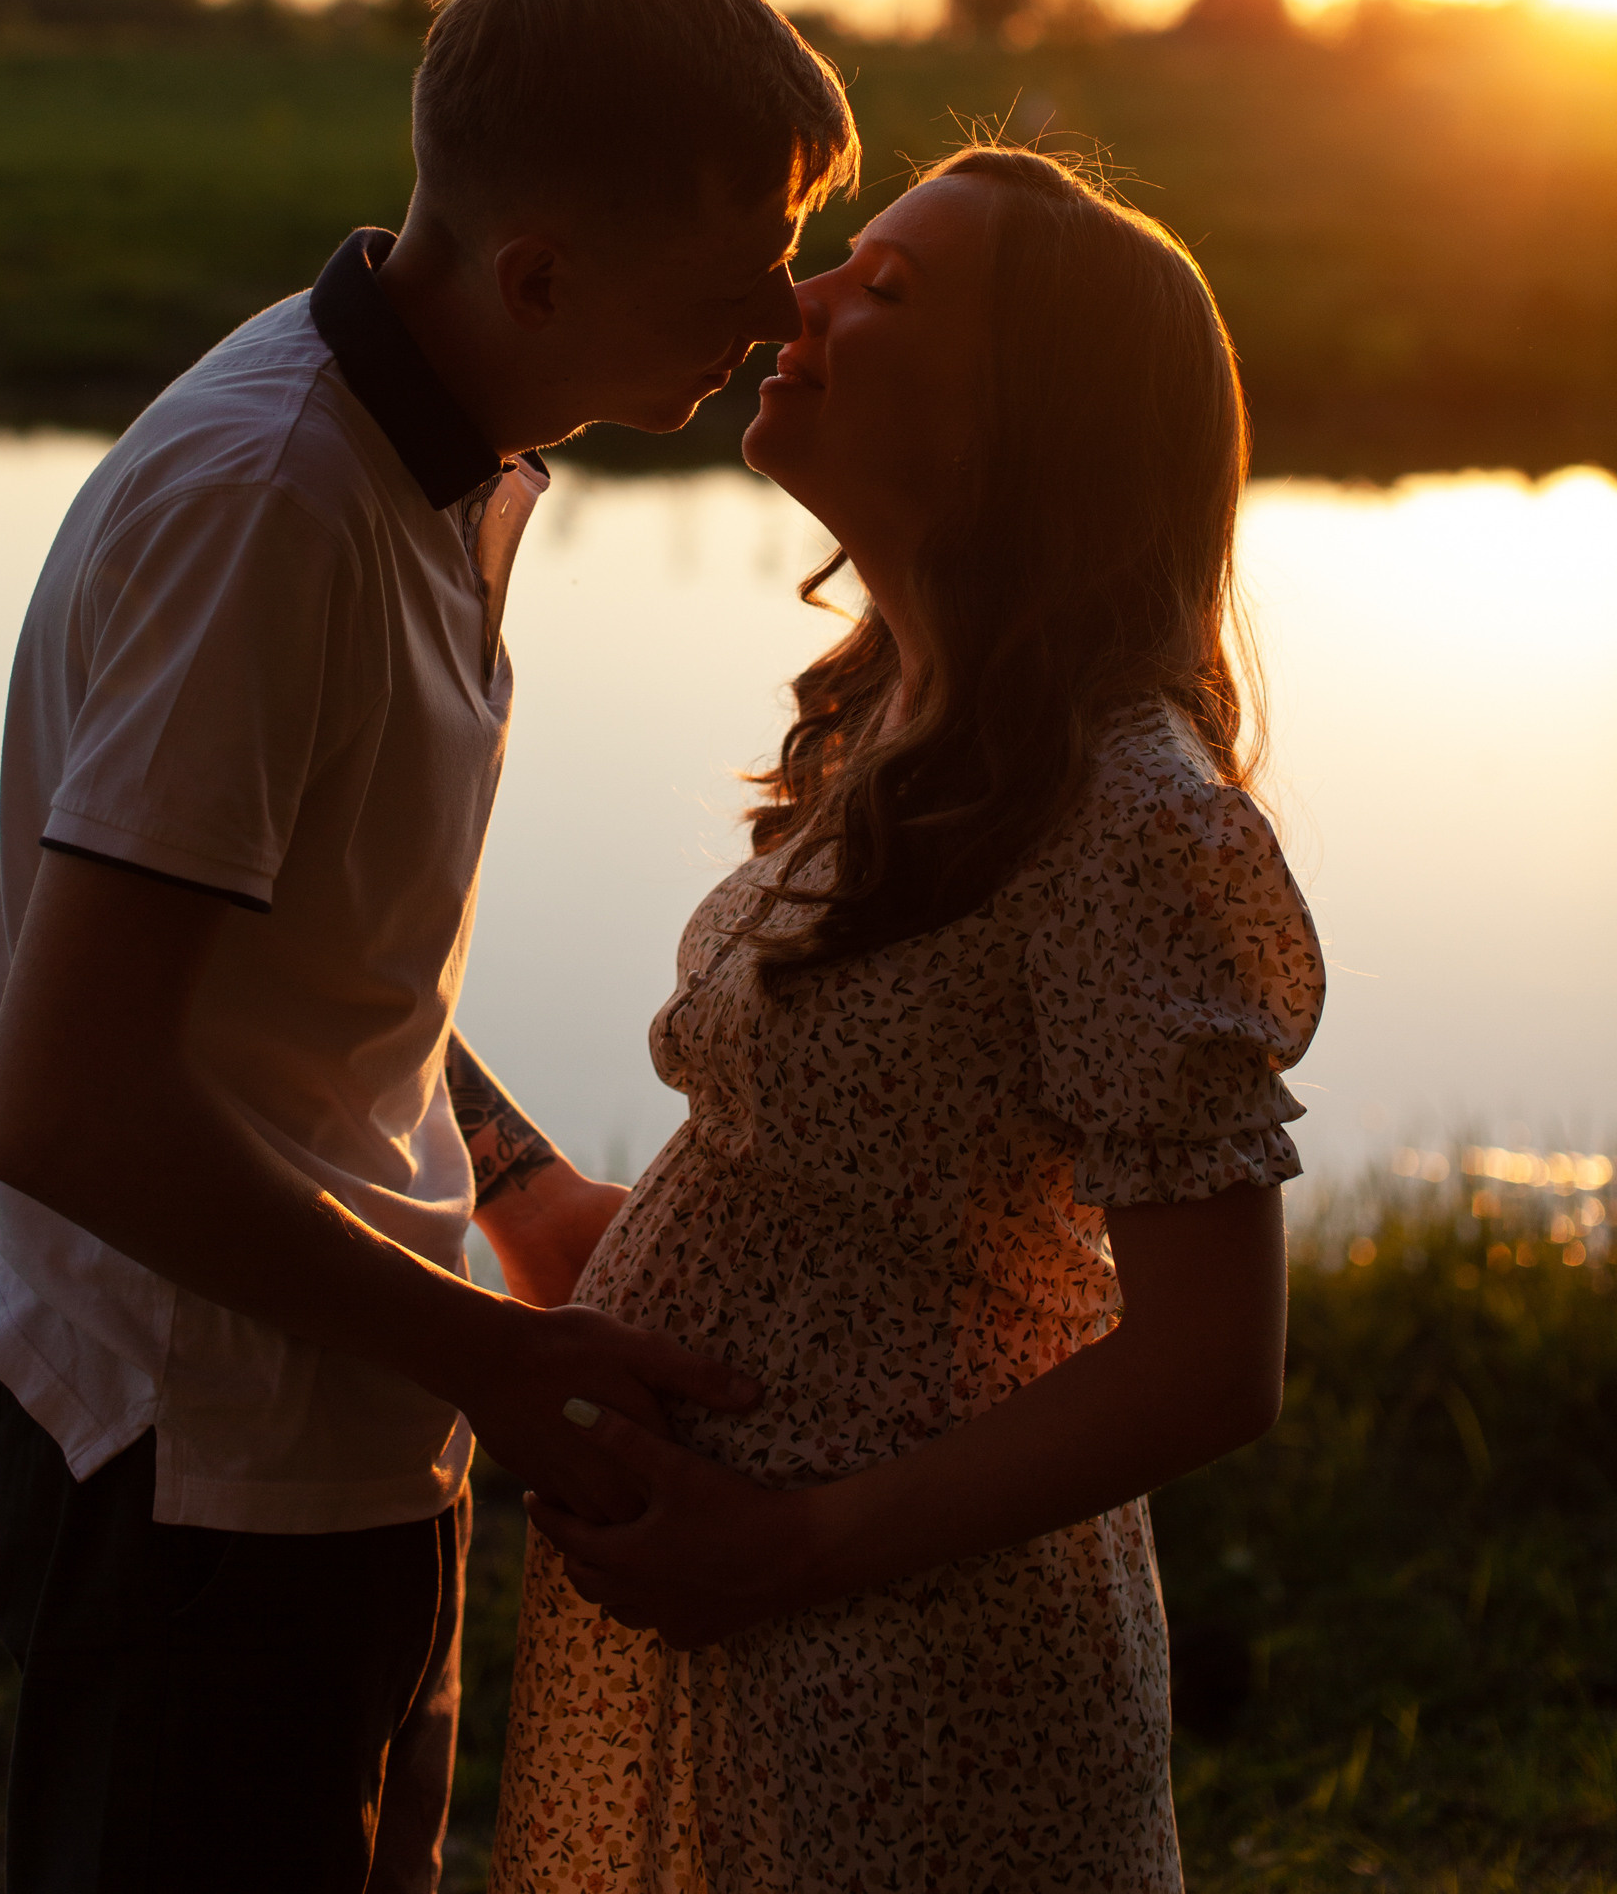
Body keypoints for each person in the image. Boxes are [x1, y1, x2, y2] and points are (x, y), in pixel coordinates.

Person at [0, 0, 859, 1891]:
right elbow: (66, 1105)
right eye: (734, 273)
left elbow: (302, 956)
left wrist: (520, 1199)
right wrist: (487, 1364)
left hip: (345, 1423)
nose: (779, 315)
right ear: (537, 272)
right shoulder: (274, 508)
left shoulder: (440, 454)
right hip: (198, 1473)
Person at [491, 145, 1326, 1893]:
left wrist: (786, 1549)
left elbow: (1209, 1362)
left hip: (915, 1679)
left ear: (1040, 419)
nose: (802, 300)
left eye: (887, 289)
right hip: (755, 1631)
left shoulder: (1132, 814)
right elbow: (834, 1208)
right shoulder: (903, 732)